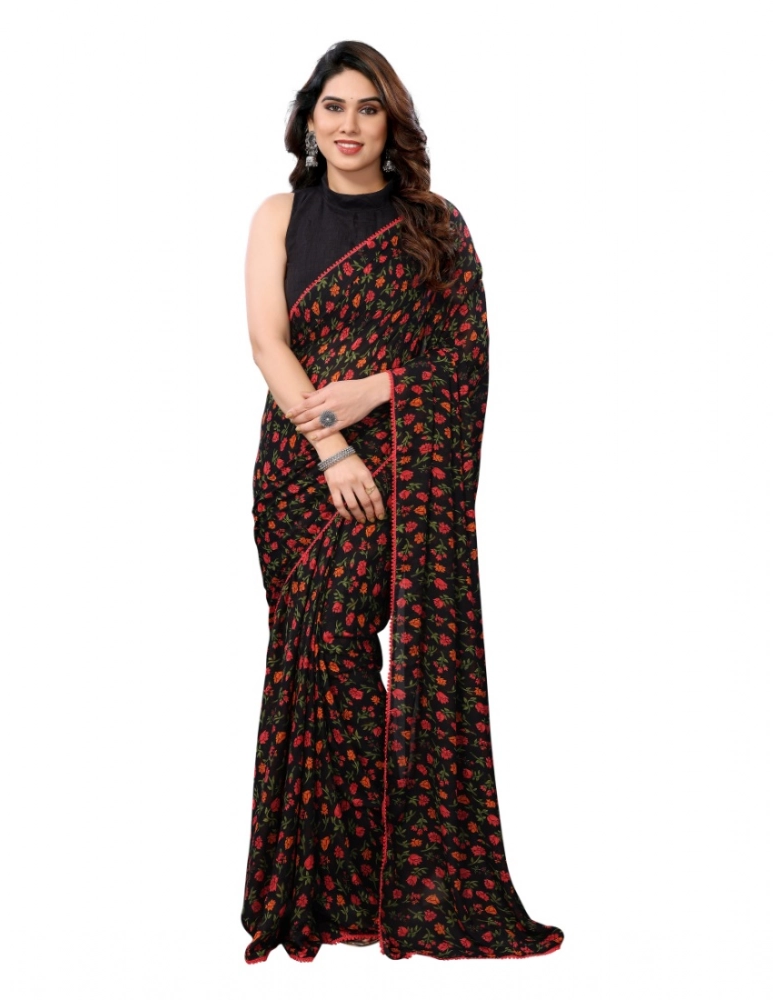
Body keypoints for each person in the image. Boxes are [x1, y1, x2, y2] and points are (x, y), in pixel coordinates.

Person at [241, 40, 563, 964]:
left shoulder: (437, 225)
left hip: (401, 469)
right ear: (309, 120)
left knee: (334, 636)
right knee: (314, 653)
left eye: (368, 107)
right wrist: (330, 445)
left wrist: (378, 390)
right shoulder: (278, 214)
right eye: (333, 107)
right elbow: (267, 342)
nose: (349, 125)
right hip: (299, 469)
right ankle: (336, 887)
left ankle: (405, 877)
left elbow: (464, 359)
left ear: (393, 122)